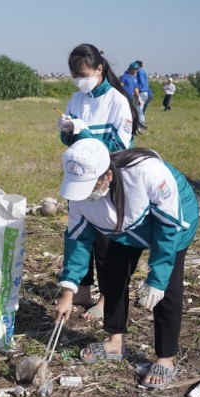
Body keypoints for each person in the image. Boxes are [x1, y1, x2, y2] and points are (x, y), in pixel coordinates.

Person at [54, 138, 199, 389]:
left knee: (168, 284)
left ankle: (166, 358)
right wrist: (68, 292)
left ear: (107, 175)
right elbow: (77, 241)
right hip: (122, 228)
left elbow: (167, 229)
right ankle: (115, 342)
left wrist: (157, 278)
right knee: (113, 272)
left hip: (174, 218)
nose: (85, 195)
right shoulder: (79, 194)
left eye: (90, 187)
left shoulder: (147, 174)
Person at [58, 43, 139, 321]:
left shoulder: (118, 101)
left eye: (83, 74)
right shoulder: (77, 99)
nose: (79, 80)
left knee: (105, 239)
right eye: (74, 75)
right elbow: (73, 141)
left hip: (107, 179)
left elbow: (120, 147)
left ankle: (106, 297)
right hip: (80, 179)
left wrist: (87, 132)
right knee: (79, 232)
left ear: (99, 69)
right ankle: (82, 288)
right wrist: (68, 132)